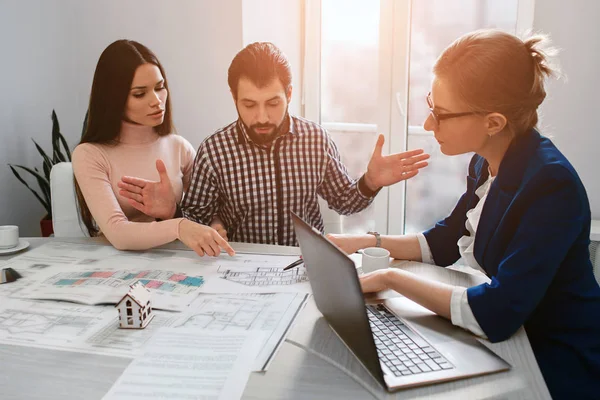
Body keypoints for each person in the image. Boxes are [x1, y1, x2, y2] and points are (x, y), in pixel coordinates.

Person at [328, 29, 600, 399]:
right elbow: (444, 242)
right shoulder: (486, 162)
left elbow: (496, 314)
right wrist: (364, 241)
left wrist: (391, 278)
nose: (428, 125)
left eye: (440, 115)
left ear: (493, 123)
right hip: (514, 337)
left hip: (552, 356)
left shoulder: (552, 185)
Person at [120, 42, 430, 246]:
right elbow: (194, 221)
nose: (262, 116)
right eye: (249, 105)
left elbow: (346, 202)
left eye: (273, 102)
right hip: (240, 269)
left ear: (290, 94)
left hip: (306, 268)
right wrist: (183, 215)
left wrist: (370, 181)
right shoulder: (214, 150)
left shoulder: (315, 140)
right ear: (234, 99)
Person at [72, 40, 234, 257]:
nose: (157, 101)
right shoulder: (90, 155)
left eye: (160, 87)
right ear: (113, 98)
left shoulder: (179, 146)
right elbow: (118, 232)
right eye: (140, 94)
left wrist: (215, 225)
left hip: (175, 262)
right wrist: (178, 226)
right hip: (116, 266)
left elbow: (205, 209)